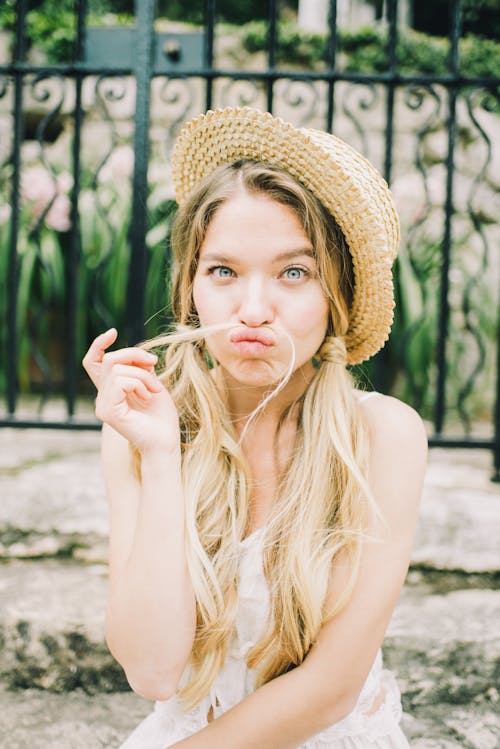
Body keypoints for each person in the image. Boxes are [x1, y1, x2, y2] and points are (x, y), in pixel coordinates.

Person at [83, 107, 427, 748]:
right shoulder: (145, 425)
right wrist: (161, 457)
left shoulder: (383, 436)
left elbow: (329, 689)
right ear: (191, 289)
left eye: (294, 273)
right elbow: (153, 670)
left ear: (338, 296)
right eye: (224, 272)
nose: (252, 310)